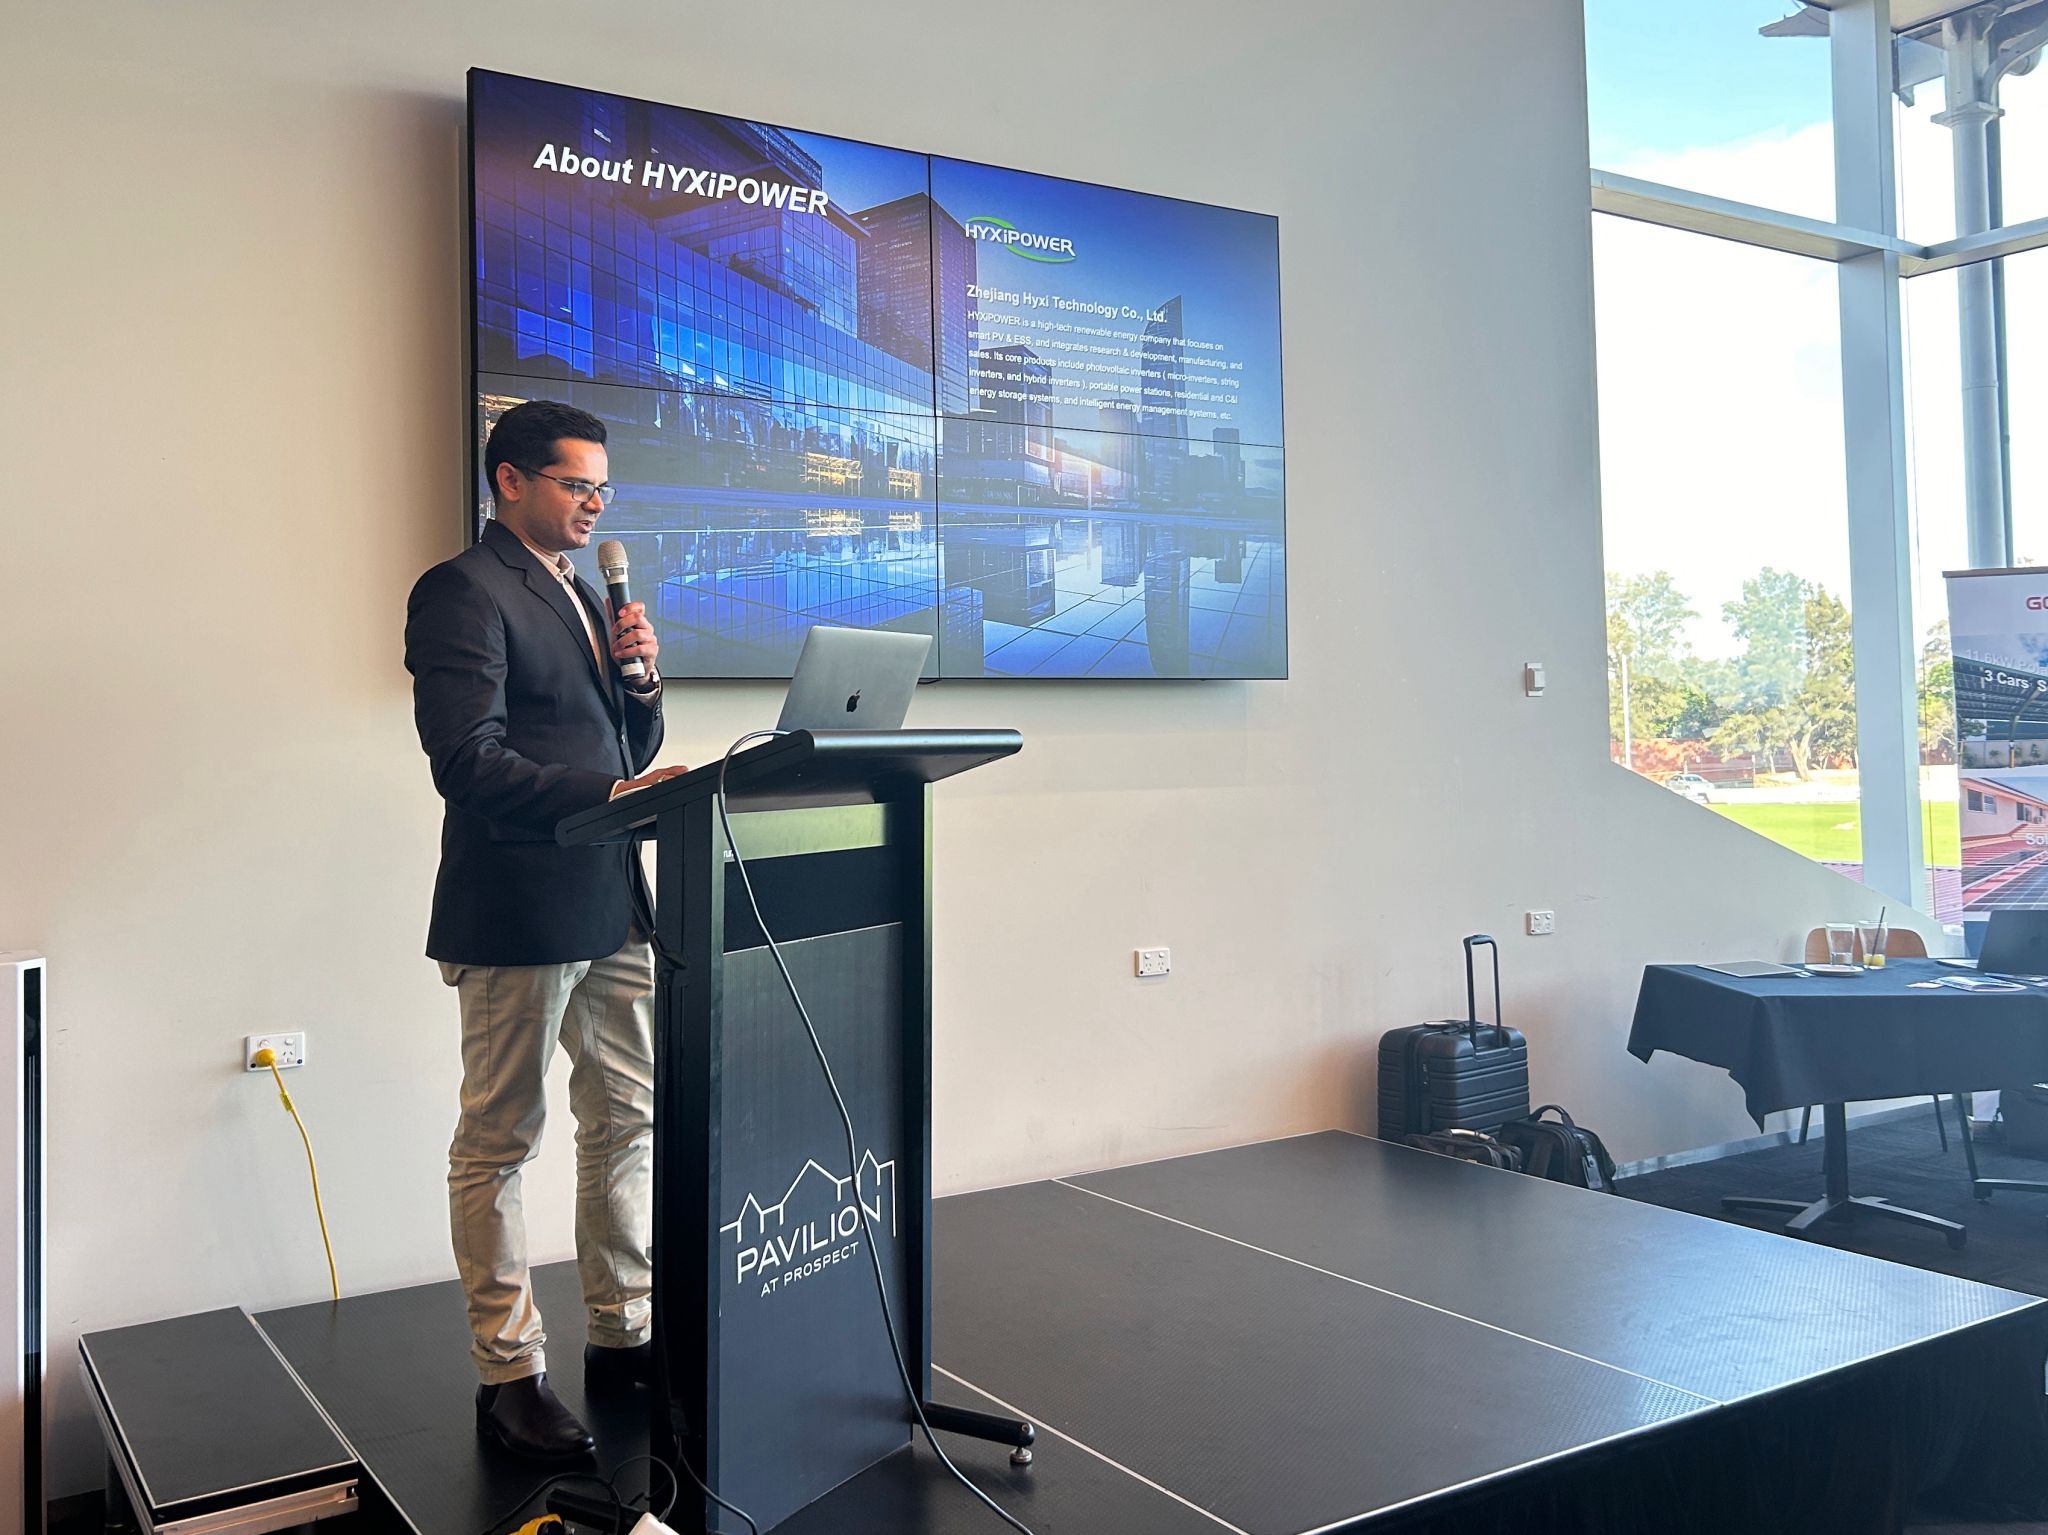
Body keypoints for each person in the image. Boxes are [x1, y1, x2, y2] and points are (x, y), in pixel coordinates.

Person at [405, 399, 686, 1459]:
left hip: (610, 897)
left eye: (602, 488)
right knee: (500, 1141)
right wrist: (611, 792)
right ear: (511, 480)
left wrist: (641, 681)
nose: (595, 504)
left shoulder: (579, 592)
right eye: (577, 484)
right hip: (518, 907)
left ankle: (623, 1332)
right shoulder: (462, 590)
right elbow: (466, 759)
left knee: (626, 1117)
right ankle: (509, 1370)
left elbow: (622, 743)